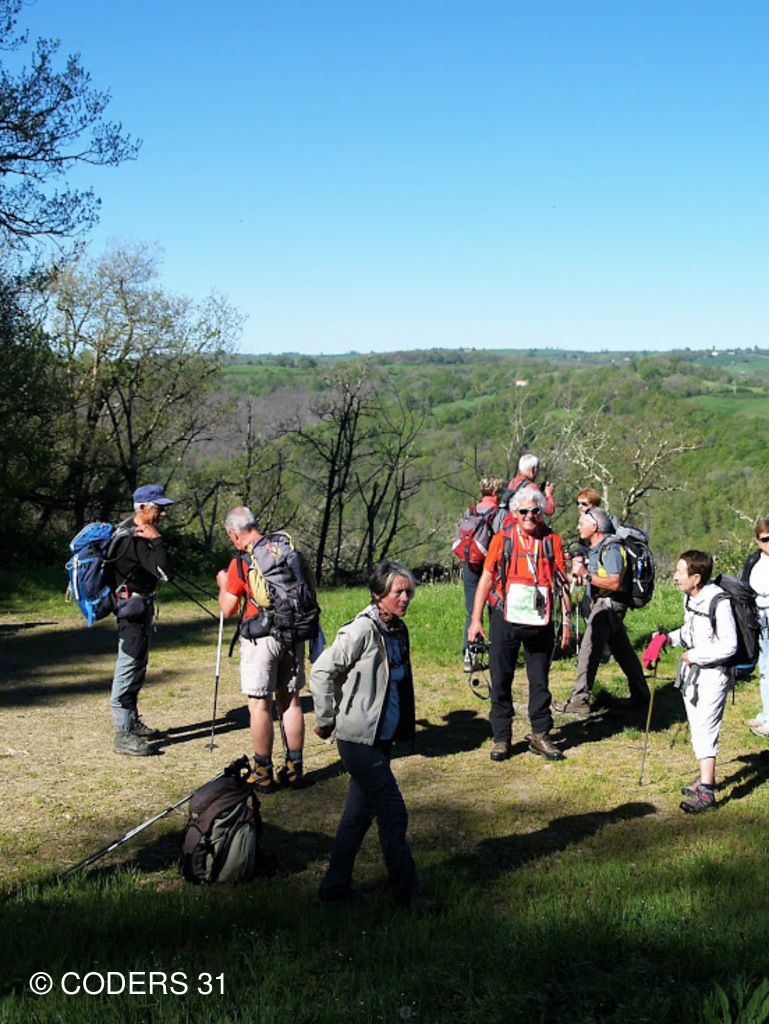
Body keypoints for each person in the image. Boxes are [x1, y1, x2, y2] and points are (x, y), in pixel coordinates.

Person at [309, 561, 421, 906]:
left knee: (357, 817)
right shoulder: (362, 629)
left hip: (380, 738)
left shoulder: (397, 629)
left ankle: (334, 888)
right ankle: (409, 897)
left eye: (408, 591)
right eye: (397, 592)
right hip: (358, 739)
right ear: (377, 594)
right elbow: (321, 671)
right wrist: (326, 718)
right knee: (393, 814)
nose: (405, 598)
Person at [468, 486, 572, 762]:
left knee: (540, 681)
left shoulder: (552, 541)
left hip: (540, 620)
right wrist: (475, 619)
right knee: (501, 679)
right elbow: (486, 578)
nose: (529, 516)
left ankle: (540, 734)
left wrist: (567, 621)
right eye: (523, 511)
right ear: (514, 513)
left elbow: (562, 582)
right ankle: (502, 737)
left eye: (535, 511)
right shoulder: (502, 540)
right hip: (505, 617)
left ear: (541, 512)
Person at [217, 507, 306, 792]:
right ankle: (294, 769)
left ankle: (263, 772)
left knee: (259, 705)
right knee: (291, 701)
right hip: (294, 632)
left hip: (261, 638)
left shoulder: (242, 561)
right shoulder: (283, 548)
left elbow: (228, 609)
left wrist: (223, 585)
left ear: (234, 534)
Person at [555, 507, 650, 715]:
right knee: (623, 651)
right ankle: (641, 694)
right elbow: (597, 578)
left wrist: (586, 576)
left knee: (588, 650)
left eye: (582, 523)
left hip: (608, 605)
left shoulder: (612, 549)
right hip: (608, 604)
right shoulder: (599, 548)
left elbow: (614, 582)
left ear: (595, 526)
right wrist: (572, 578)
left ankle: (579, 699)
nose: (578, 527)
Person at [669, 550, 737, 813]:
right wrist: (669, 638)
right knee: (698, 727)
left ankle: (707, 793)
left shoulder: (719, 602)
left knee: (706, 730)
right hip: (693, 675)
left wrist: (694, 655)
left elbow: (729, 646)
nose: (675, 577)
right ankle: (704, 779)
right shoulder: (691, 598)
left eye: (680, 572)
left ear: (696, 578)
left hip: (713, 676)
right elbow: (690, 632)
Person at [110, 483, 175, 756]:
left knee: (138, 664)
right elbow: (165, 572)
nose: (163, 514)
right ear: (144, 508)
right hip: (132, 611)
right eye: (160, 508)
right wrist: (157, 540)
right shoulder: (135, 539)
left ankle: (132, 722)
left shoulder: (127, 528)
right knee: (128, 666)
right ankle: (123, 734)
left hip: (136, 606)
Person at [459, 475, 505, 672]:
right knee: (495, 609)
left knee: (473, 612)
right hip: (491, 568)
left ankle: (470, 655)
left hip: (470, 565)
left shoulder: (470, 511)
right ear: (495, 492)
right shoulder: (500, 513)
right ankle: (496, 655)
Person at [741, 517, 769, 736]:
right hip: (760, 621)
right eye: (765, 539)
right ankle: (766, 713)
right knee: (765, 669)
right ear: (757, 541)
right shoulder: (753, 562)